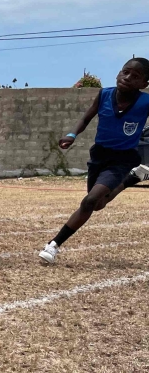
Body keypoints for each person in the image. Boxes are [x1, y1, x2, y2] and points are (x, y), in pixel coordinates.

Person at [39, 58, 149, 264]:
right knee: (97, 204)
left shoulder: (145, 102)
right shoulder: (104, 94)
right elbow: (86, 117)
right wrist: (72, 134)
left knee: (89, 201)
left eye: (135, 77)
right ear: (118, 73)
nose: (127, 78)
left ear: (144, 84)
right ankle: (130, 181)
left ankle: (53, 245)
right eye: (125, 72)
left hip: (123, 158)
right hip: (99, 155)